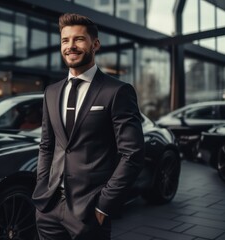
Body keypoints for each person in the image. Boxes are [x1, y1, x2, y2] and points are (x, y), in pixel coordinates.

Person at [32, 13, 145, 240]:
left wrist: (104, 205)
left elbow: (132, 153)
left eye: (79, 39)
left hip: (89, 211)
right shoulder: (51, 92)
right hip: (49, 208)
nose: (71, 46)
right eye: (65, 40)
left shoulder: (117, 91)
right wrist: (43, 187)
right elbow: (47, 145)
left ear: (95, 44)